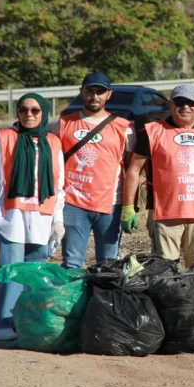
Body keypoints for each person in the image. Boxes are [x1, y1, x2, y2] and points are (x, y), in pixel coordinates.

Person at [0, 93, 65, 341]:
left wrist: (58, 220)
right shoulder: (3, 138)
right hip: (12, 217)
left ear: (43, 113)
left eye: (35, 110)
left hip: (42, 218)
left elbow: (58, 185)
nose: (29, 115)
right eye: (24, 110)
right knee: (11, 270)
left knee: (36, 273)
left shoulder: (53, 143)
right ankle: (4, 324)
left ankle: (28, 323)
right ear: (17, 112)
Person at [121, 84, 194, 268]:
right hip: (165, 214)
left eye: (191, 103)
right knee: (163, 269)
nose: (185, 107)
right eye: (180, 102)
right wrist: (128, 207)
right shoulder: (151, 132)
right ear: (171, 105)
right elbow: (134, 170)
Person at [56, 72, 134, 269]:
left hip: (110, 204)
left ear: (109, 95)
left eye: (100, 92)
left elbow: (133, 168)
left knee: (108, 265)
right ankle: (74, 300)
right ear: (81, 92)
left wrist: (129, 205)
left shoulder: (123, 127)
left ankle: (103, 300)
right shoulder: (65, 123)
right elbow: (55, 163)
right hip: (73, 203)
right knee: (72, 264)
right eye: (90, 91)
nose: (94, 96)